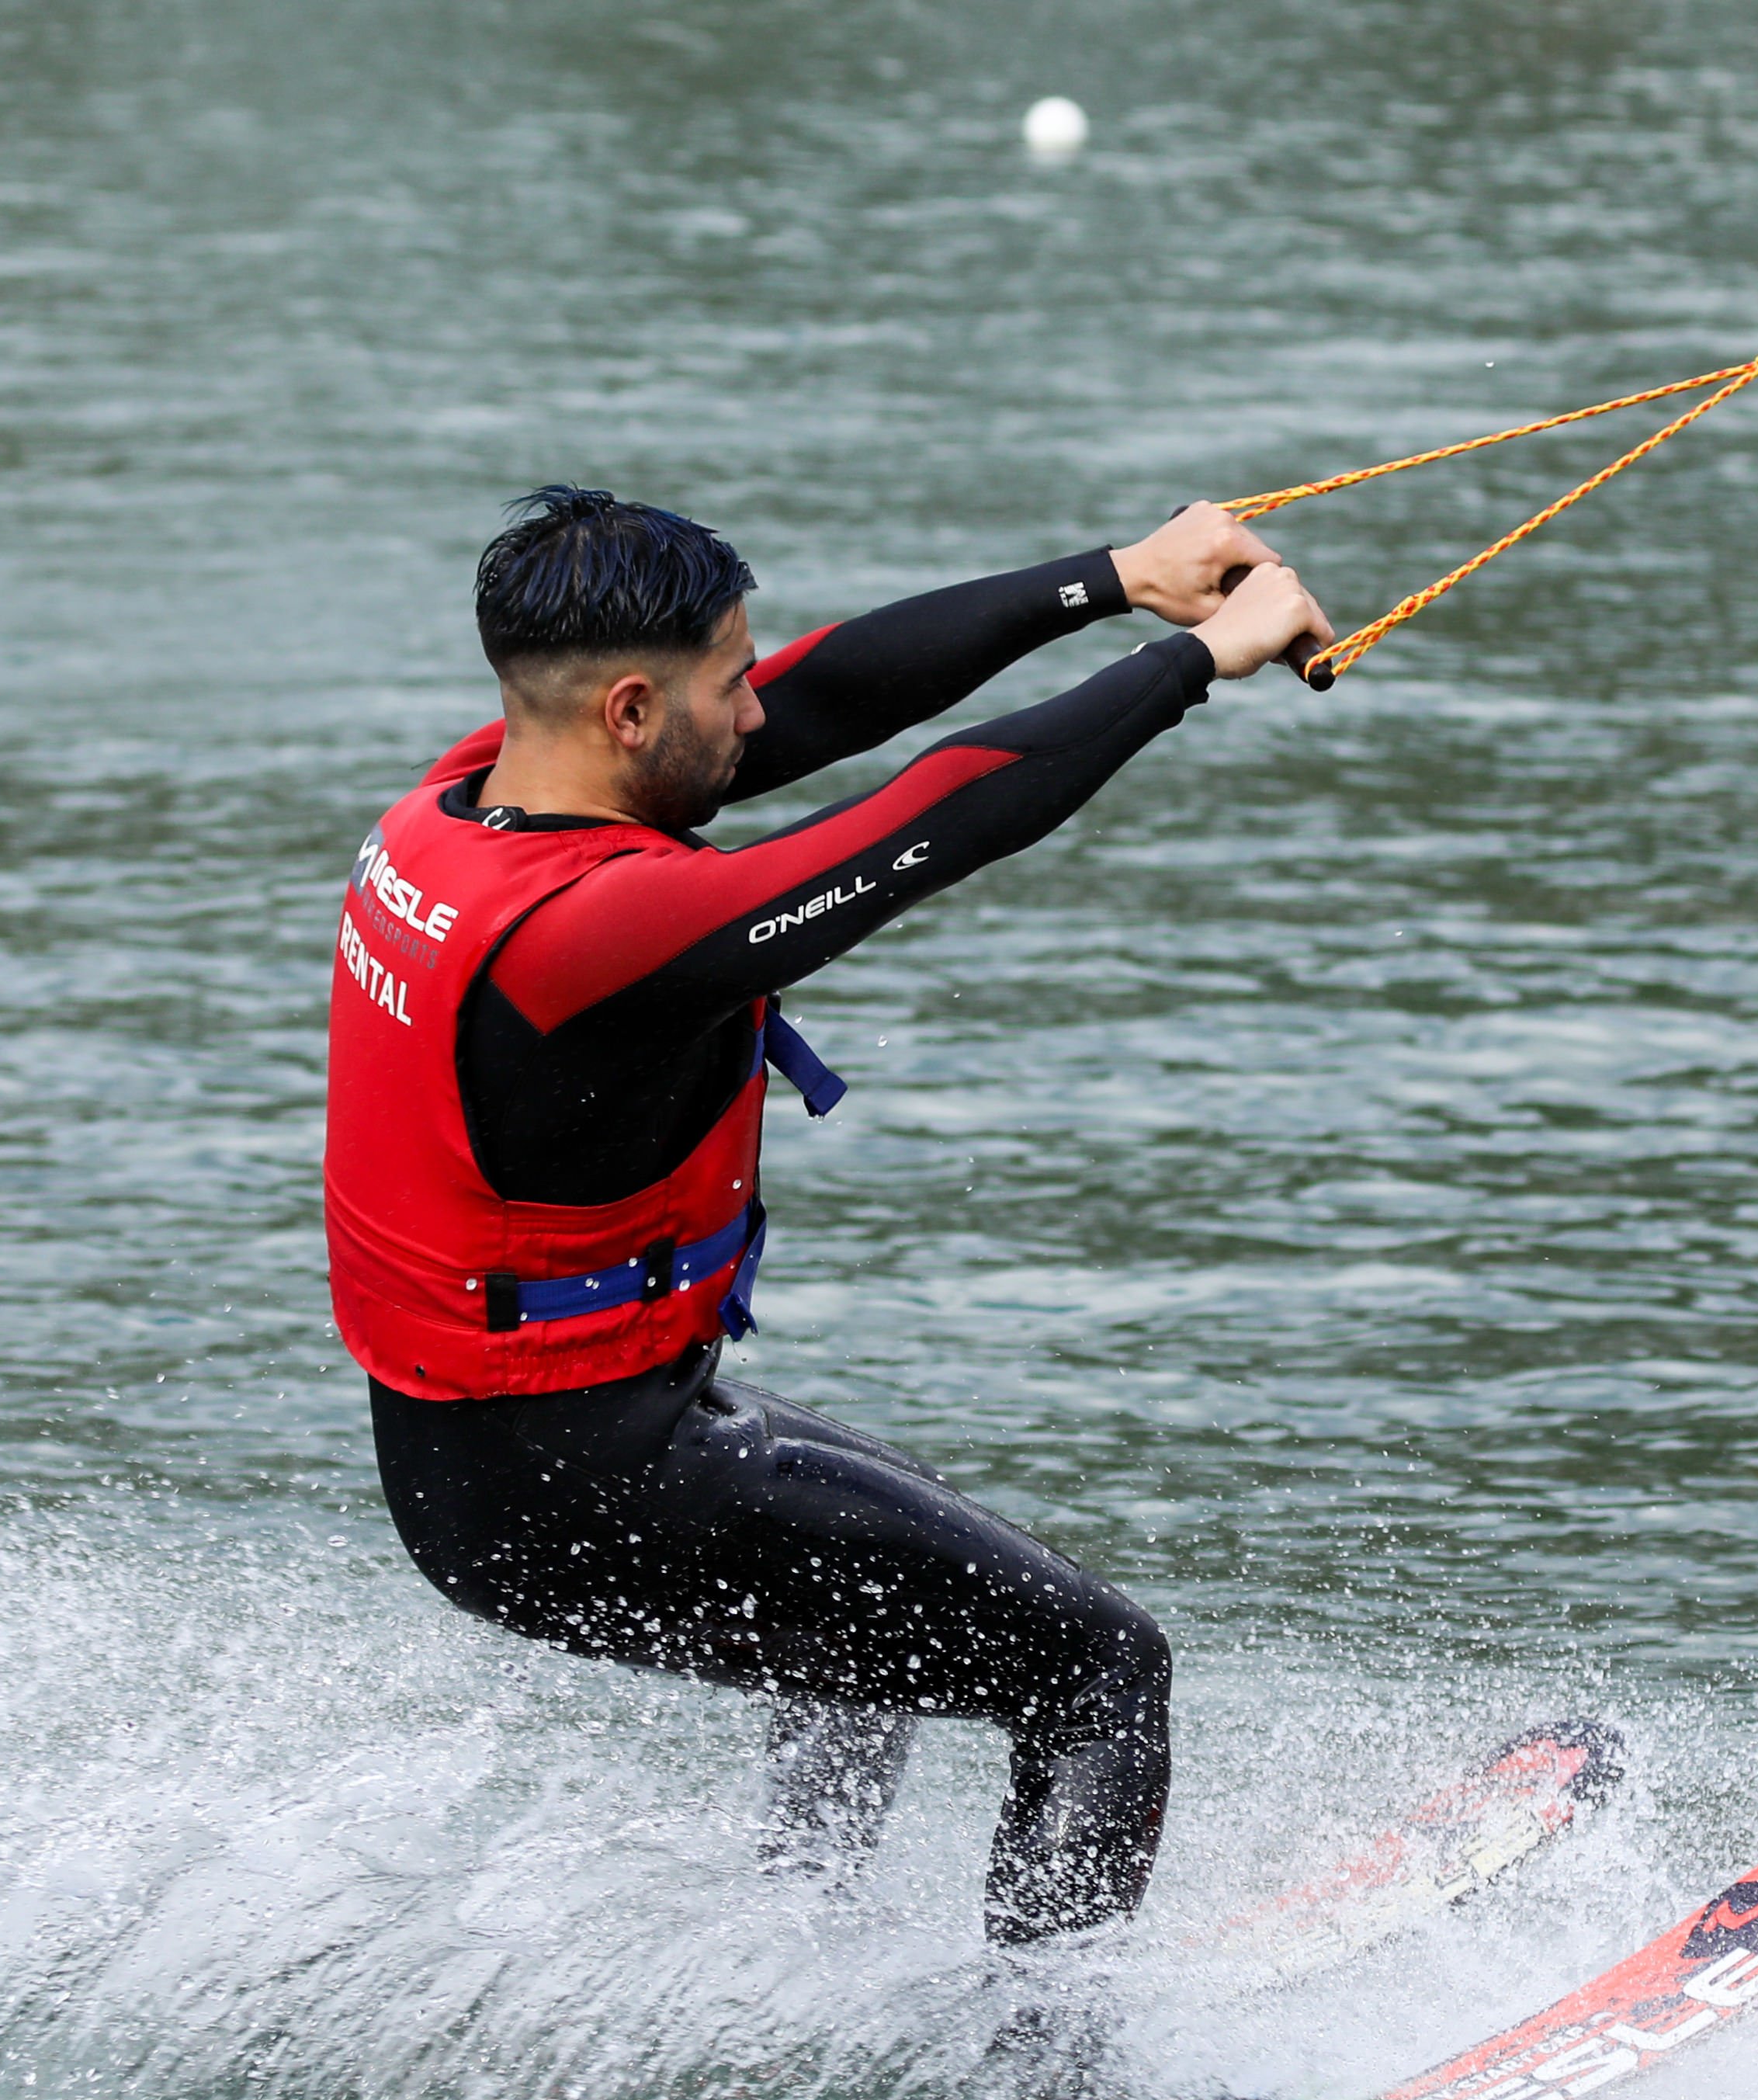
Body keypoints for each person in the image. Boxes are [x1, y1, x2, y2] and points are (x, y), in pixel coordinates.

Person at [327, 485, 1333, 1946]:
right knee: (1100, 1668)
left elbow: (830, 693)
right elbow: (938, 816)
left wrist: (1120, 576)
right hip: (580, 1483)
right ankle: (1049, 2064)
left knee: (882, 1613)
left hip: (498, 1452)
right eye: (728, 682)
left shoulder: (462, 805)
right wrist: (1194, 661)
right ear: (628, 709)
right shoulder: (593, 934)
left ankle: (799, 1950)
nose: (755, 713)